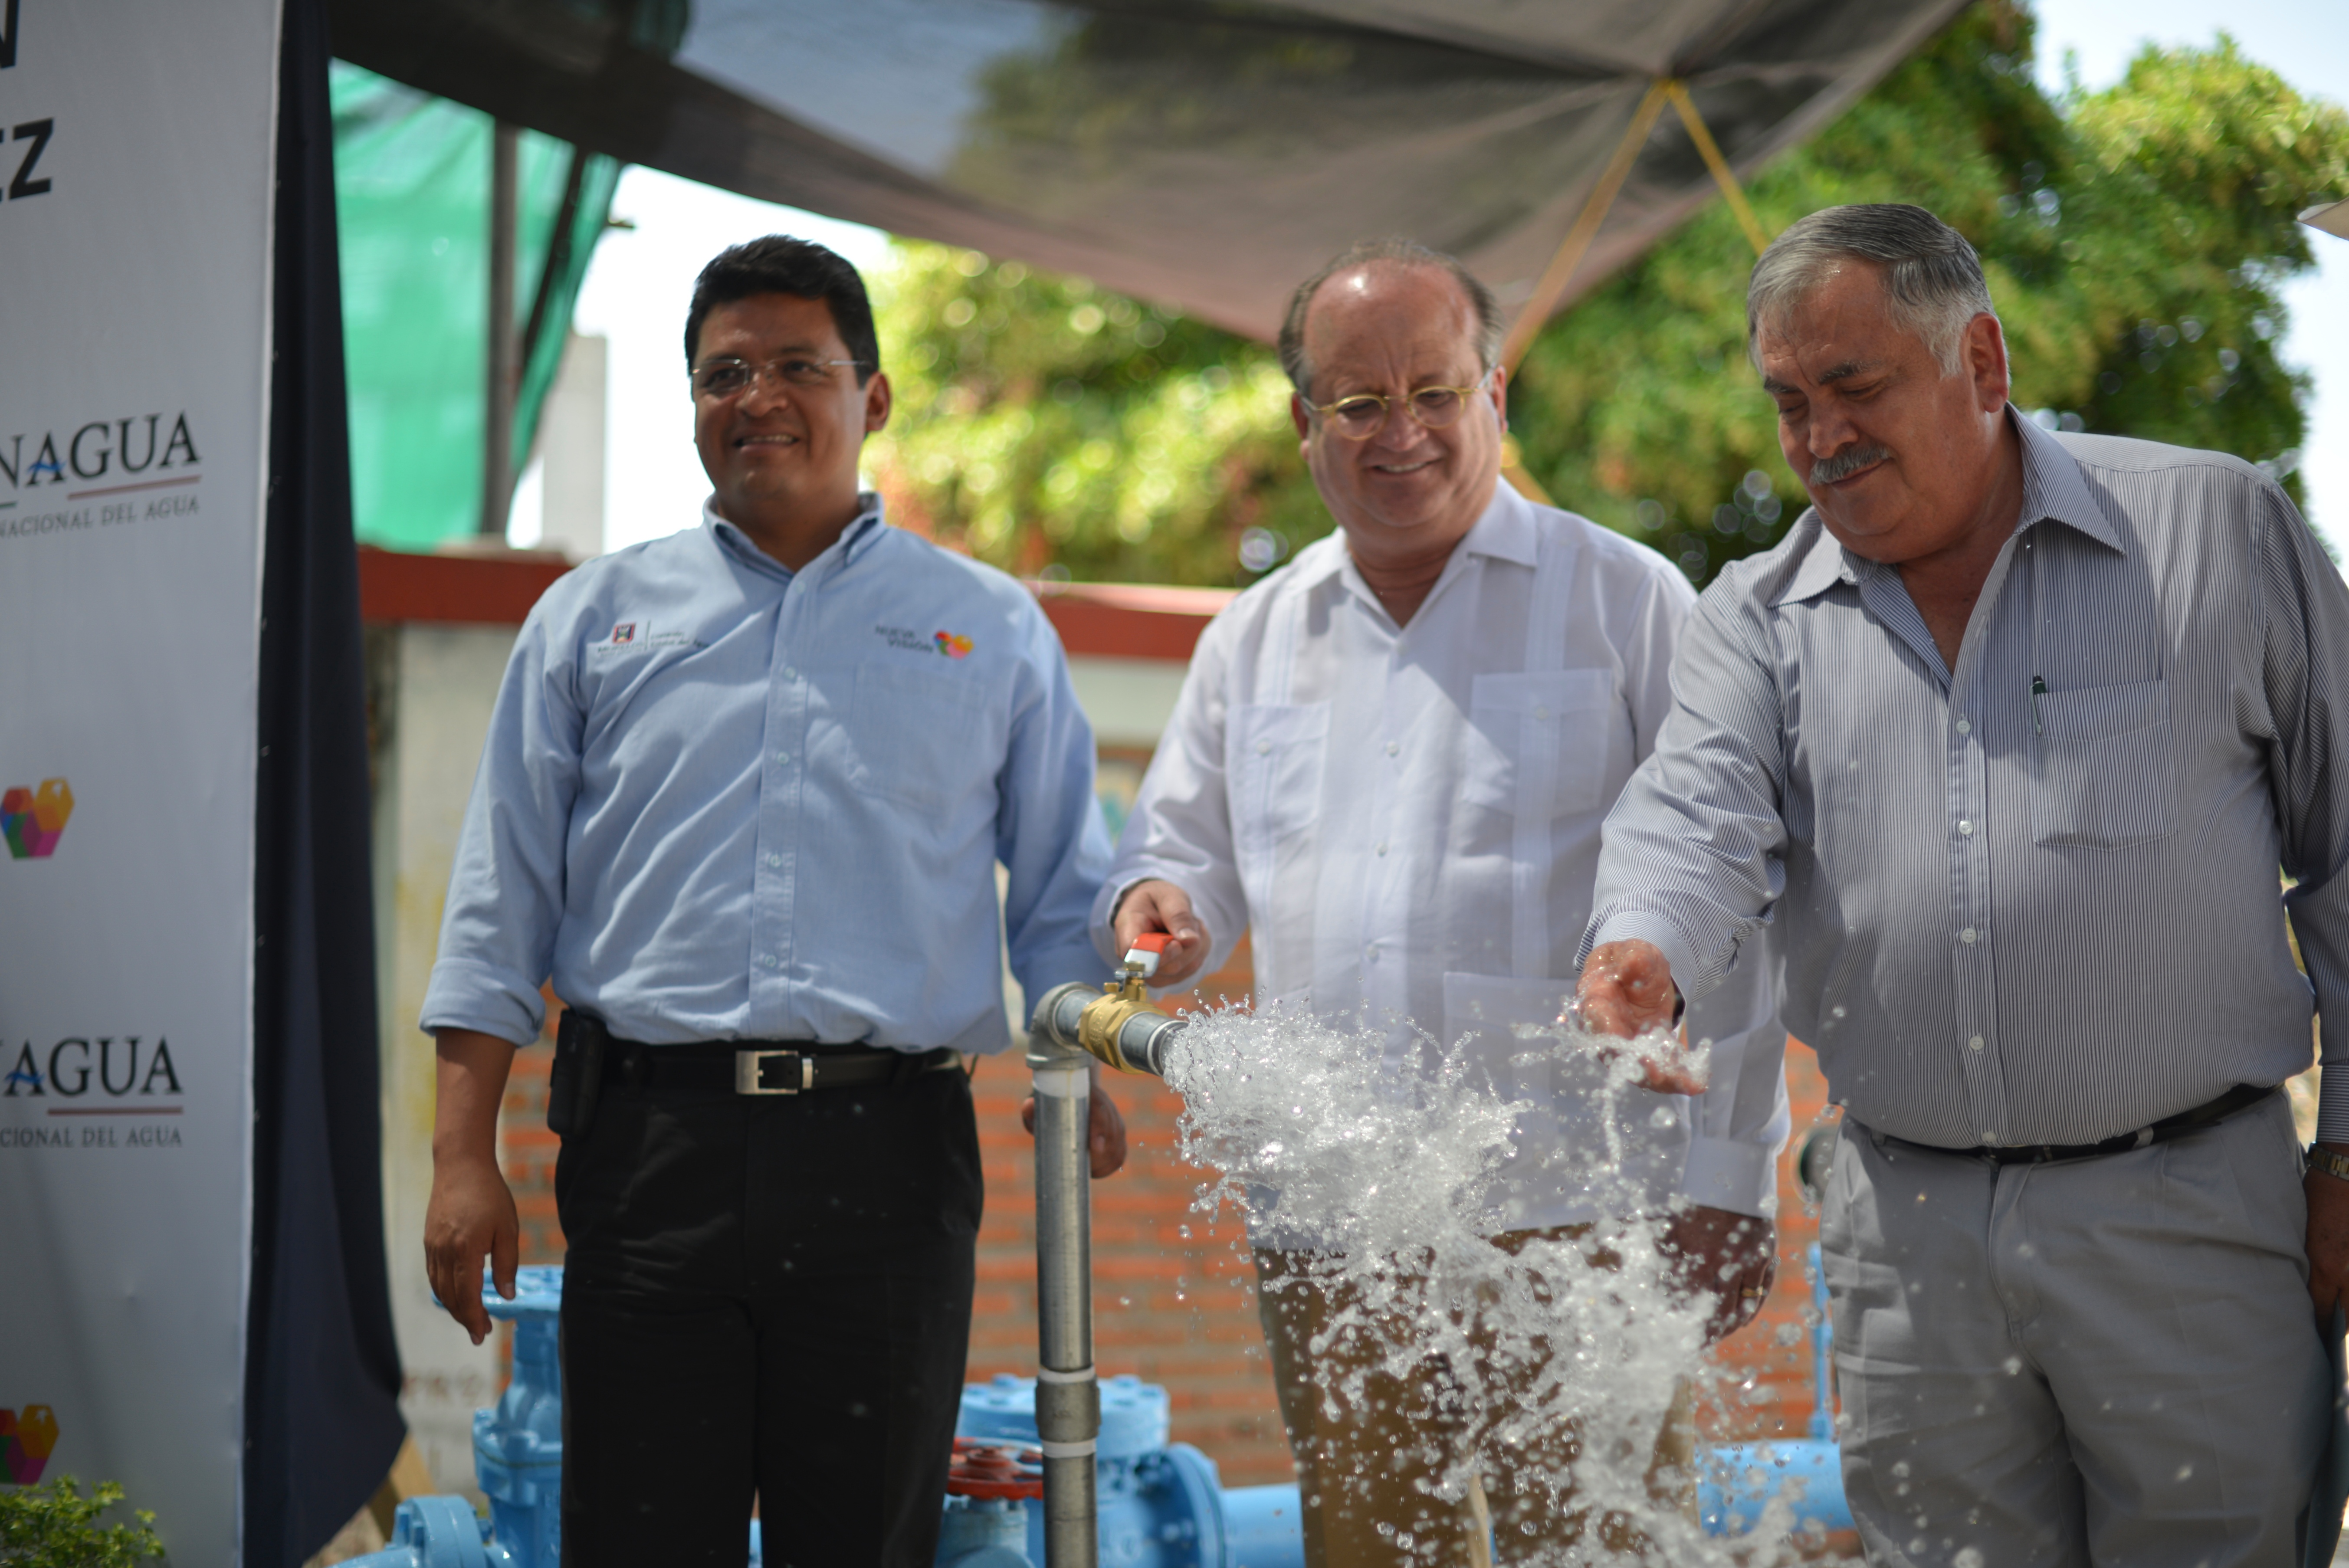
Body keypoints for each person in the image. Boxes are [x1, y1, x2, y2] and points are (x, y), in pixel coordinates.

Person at [1575, 202, 2349, 1568]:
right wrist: (1644, 945)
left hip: (2184, 1214)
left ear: (1981, 364)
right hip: (1905, 1239)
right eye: (1788, 403)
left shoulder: (2213, 530)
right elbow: (1692, 810)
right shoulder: (1755, 614)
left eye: (1855, 387)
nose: (1819, 439)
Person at [418, 235, 1125, 1568]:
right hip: (647, 1157)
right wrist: (465, 1156)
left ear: (876, 395)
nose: (758, 398)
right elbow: (497, 900)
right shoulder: (591, 620)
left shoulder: (990, 627)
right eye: (722, 373)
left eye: (798, 365)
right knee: (638, 1542)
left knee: (861, 1544)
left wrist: (1076, 1065)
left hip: (891, 1162)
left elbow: (1059, 898)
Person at [1102, 239, 1790, 1566]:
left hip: (1583, 1221)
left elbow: (1733, 893)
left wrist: (1734, 1186)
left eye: (1436, 390)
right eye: (1359, 403)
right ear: (1306, 424)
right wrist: (1163, 909)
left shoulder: (1626, 597)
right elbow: (1177, 856)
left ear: (1498, 394)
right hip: (1339, 1231)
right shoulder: (1254, 634)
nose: (1400, 431)